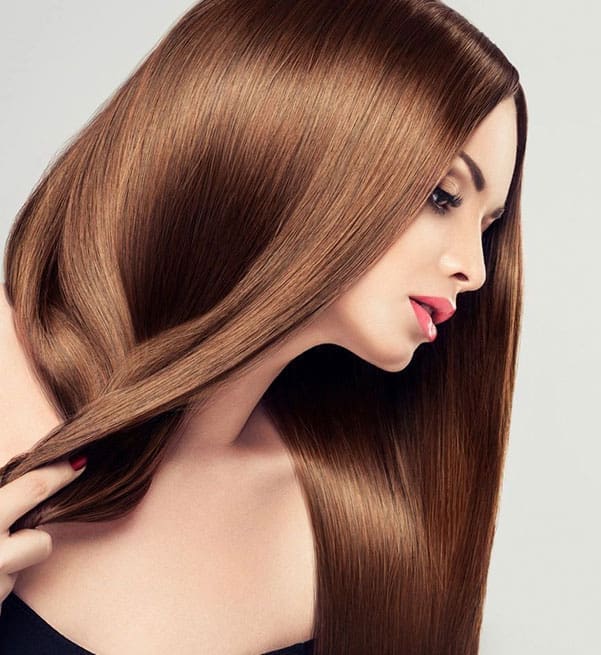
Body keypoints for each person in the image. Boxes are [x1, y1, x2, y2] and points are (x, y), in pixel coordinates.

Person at [0, 1, 528, 653]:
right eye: (441, 196)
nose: (474, 270)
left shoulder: (347, 529)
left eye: (486, 225)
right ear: (295, 143)